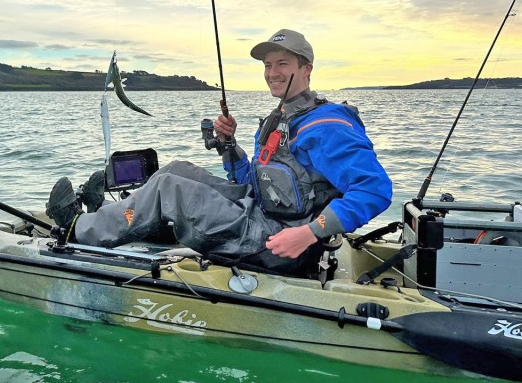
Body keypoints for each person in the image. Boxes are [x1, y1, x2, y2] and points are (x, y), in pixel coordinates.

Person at [47, 29, 392, 275]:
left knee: (170, 190)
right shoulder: (281, 117)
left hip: (282, 244)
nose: (272, 73)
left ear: (306, 69)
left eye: (282, 64)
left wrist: (308, 233)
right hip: (262, 214)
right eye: (268, 65)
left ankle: (77, 229)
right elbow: (258, 185)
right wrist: (229, 148)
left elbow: (374, 190)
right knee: (177, 170)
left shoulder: (326, 125)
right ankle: (109, 215)